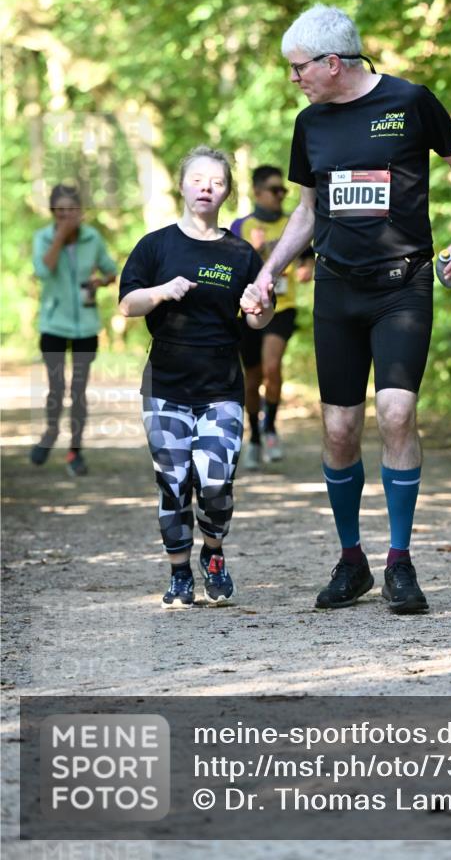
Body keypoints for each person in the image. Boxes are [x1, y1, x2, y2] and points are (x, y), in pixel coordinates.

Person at [244, 5, 451, 615]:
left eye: (299, 68)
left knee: (397, 414)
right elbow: (306, 211)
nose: (293, 77)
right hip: (336, 289)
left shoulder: (410, 101)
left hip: (403, 284)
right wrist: (268, 273)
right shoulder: (309, 125)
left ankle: (400, 562)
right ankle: (353, 562)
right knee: (339, 429)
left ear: (333, 62)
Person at [118, 146, 274, 610]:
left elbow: (258, 320)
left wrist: (259, 310)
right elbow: (127, 304)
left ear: (227, 191)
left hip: (223, 387)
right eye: (198, 179)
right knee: (173, 481)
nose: (207, 187)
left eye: (217, 181)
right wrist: (162, 292)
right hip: (165, 385)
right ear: (182, 186)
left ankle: (214, 553)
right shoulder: (156, 246)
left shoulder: (240, 252)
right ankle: (179, 573)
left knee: (214, 481)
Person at [31, 184, 117, 476]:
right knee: (56, 388)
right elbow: (43, 271)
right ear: (53, 212)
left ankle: (75, 451)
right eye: (60, 210)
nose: (67, 215)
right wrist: (60, 237)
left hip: (86, 326)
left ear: (80, 211)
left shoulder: (93, 238)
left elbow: (111, 270)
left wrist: (101, 282)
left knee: (78, 391)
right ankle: (50, 432)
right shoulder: (43, 238)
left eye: (72, 210)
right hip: (53, 324)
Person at [231, 165, 314, 468]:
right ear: (257, 192)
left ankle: (271, 429)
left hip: (282, 307)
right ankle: (253, 435)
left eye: (284, 190)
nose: (281, 195)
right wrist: (250, 251)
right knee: (251, 380)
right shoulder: (240, 226)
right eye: (274, 190)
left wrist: (306, 270)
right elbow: (229, 268)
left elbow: (307, 261)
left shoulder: (296, 223)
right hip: (248, 310)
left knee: (271, 366)